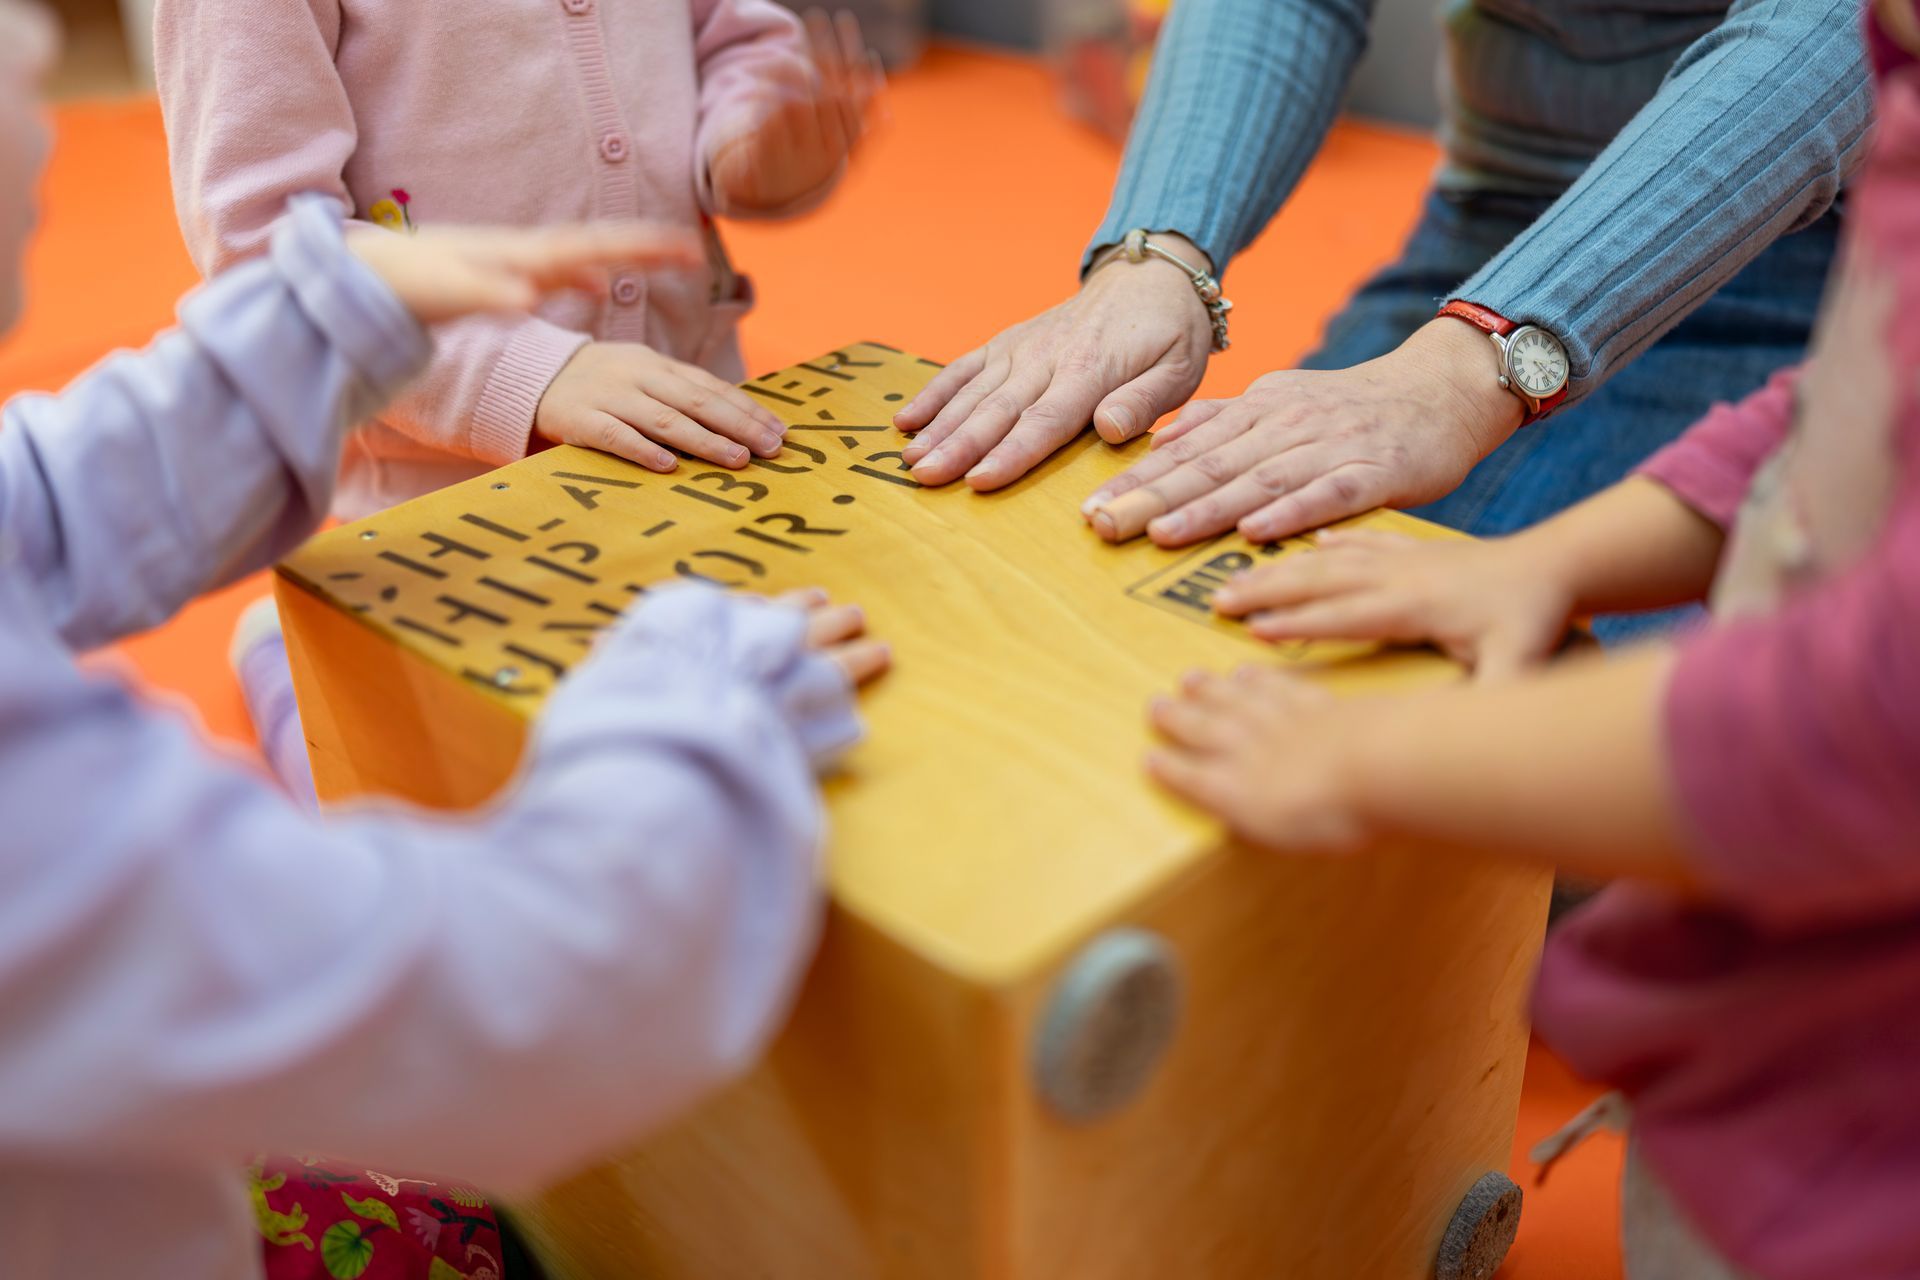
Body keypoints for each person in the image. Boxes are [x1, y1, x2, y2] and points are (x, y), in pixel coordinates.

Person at [0, 8, 889, 1278]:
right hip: (444, 529)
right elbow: (507, 1000)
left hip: (678, 443)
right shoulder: (41, 808)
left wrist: (332, 327)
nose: (39, 43)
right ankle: (302, 672)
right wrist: (686, 694)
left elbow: (50, 494)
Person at [1143, 0, 1920, 1270]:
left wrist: (1371, 759)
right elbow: (1824, 407)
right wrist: (1157, 258)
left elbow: (1843, 716)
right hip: (1755, 1122)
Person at [154, 0, 882, 807]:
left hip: (693, 433)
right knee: (471, 837)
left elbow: (734, 36)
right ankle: (288, 665)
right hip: (442, 498)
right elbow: (266, 247)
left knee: (779, 757)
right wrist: (532, 374)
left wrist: (750, 139)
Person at [895, 0, 1870, 566]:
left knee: (1537, 764)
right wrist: (1159, 255)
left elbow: (1829, 37)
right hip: (1486, 230)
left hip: (1828, 271)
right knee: (1186, 591)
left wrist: (1474, 361)